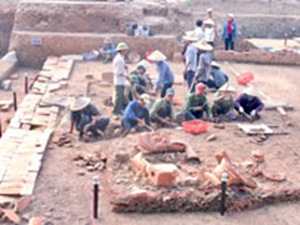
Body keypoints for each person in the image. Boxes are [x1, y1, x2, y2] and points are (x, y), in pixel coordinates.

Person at [112, 42, 130, 117]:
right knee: (118, 97)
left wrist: (125, 66)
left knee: (121, 96)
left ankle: (120, 110)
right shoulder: (119, 59)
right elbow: (118, 72)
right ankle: (115, 112)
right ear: (122, 50)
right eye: (125, 50)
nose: (126, 51)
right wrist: (126, 76)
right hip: (119, 81)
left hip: (121, 81)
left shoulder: (120, 58)